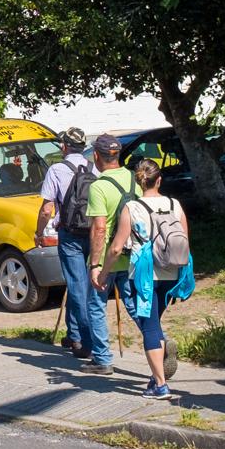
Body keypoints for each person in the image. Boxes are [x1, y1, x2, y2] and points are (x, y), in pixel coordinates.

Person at [101, 158, 192, 398]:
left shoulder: (132, 208)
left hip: (144, 275)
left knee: (150, 326)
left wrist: (103, 272)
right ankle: (155, 375)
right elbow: (184, 239)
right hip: (172, 272)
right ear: (159, 180)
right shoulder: (175, 204)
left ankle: (160, 384)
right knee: (154, 322)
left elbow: (116, 248)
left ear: (139, 182)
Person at [36, 128, 99, 362]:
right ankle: (74, 334)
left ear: (64, 146)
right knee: (86, 285)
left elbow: (46, 209)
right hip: (94, 233)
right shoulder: (95, 169)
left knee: (76, 285)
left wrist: (39, 232)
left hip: (69, 234)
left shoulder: (57, 169)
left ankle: (85, 341)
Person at [77, 133, 135, 376]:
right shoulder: (134, 179)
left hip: (109, 257)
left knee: (96, 305)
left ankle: (102, 359)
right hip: (133, 253)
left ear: (97, 156)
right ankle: (159, 343)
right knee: (134, 304)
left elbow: (100, 228)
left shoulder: (99, 186)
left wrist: (95, 264)